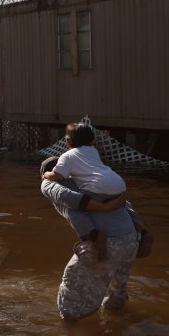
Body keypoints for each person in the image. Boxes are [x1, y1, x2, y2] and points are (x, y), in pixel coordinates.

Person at [40, 122, 140, 321]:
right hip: (131, 238)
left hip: (107, 241)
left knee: (71, 287)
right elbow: (124, 201)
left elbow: (73, 204)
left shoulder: (53, 184)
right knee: (116, 291)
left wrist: (93, 232)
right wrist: (141, 228)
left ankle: (71, 332)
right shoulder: (93, 176)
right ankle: (119, 323)